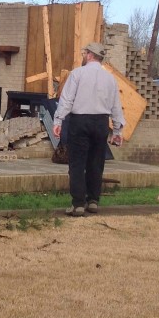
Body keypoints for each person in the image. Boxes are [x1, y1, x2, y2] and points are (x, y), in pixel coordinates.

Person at [52, 42, 125, 217]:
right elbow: (116, 106)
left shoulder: (77, 74)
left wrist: (58, 120)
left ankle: (78, 204)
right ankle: (93, 201)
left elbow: (67, 100)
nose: (83, 56)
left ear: (90, 55)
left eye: (84, 53)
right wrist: (117, 131)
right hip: (101, 122)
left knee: (77, 163)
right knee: (96, 163)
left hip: (80, 121)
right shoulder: (110, 79)